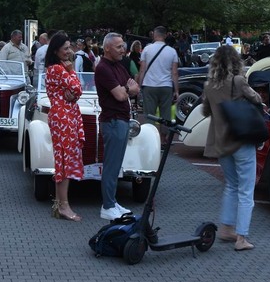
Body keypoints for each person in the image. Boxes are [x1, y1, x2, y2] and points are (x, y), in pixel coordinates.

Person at [202, 45, 261, 251]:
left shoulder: (209, 85)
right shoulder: (238, 81)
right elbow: (257, 99)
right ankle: (241, 238)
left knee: (231, 185)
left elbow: (205, 111)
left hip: (221, 142)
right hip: (241, 139)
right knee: (246, 190)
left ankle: (227, 229)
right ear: (236, 61)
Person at [94, 32, 140, 220]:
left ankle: (112, 202)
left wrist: (127, 89)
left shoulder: (118, 66)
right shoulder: (103, 68)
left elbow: (135, 87)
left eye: (123, 46)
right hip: (113, 121)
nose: (123, 50)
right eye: (119, 46)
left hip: (121, 120)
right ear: (107, 48)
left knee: (117, 164)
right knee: (111, 165)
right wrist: (128, 89)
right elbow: (121, 94)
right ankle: (107, 206)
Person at [44, 32, 85, 222]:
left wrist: (72, 94)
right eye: (66, 48)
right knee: (63, 161)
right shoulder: (57, 69)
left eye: (70, 47)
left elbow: (74, 93)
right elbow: (78, 89)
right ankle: (63, 206)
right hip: (63, 117)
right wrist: (71, 71)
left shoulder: (57, 69)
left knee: (64, 160)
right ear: (56, 50)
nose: (69, 51)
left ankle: (61, 204)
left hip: (65, 115)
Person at [137, 26, 179, 143]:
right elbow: (174, 73)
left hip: (149, 85)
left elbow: (142, 70)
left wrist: (139, 86)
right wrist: (176, 90)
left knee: (149, 114)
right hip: (166, 86)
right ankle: (163, 139)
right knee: (165, 114)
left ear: (154, 35)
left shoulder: (146, 49)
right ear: (165, 35)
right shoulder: (172, 51)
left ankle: (150, 140)